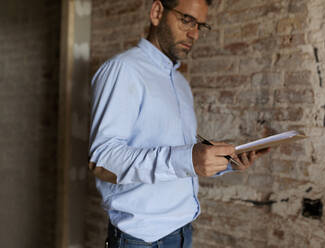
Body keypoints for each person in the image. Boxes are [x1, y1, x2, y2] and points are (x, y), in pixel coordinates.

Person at [88, 0, 269, 247]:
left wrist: (227, 162)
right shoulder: (123, 70)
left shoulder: (181, 84)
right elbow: (102, 161)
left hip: (182, 233)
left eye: (200, 26)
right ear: (157, 12)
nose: (194, 33)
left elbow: (175, 150)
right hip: (141, 240)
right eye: (187, 20)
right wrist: (189, 159)